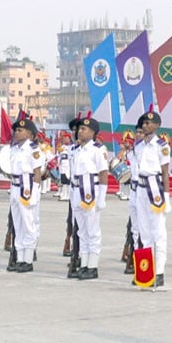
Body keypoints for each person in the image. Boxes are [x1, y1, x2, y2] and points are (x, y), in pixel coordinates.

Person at [131, 109, 172, 288]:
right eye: (144, 124)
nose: (146, 126)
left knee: (158, 232)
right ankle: (145, 272)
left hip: (155, 188)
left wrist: (167, 196)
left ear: (157, 125)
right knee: (144, 232)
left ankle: (160, 271)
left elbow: (164, 172)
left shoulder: (162, 145)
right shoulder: (138, 146)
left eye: (149, 123)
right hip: (140, 188)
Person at [67, 117, 109, 280]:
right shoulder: (76, 149)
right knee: (81, 231)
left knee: (92, 231)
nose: (79, 131)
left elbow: (103, 173)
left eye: (84, 129)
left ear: (92, 132)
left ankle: (92, 265)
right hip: (77, 191)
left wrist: (102, 198)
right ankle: (84, 263)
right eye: (79, 129)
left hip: (91, 192)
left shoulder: (98, 149)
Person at [8, 115, 44, 273]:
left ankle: (28, 259)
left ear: (30, 134)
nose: (16, 132)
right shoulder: (14, 148)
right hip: (15, 187)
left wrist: (35, 192)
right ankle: (20, 257)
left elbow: (37, 173)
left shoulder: (33, 149)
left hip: (27, 188)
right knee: (18, 224)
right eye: (16, 130)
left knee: (29, 225)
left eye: (20, 130)